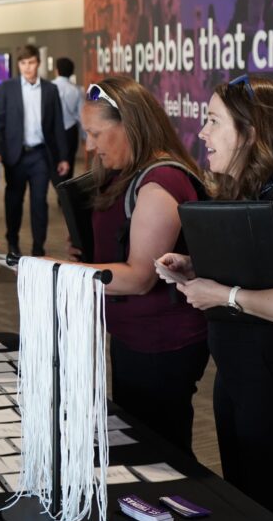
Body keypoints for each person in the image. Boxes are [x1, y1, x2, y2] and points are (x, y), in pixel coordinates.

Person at [157, 76, 273, 521]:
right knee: (247, 505)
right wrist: (196, 270)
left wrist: (224, 295)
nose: (202, 133)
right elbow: (261, 274)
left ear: (251, 133)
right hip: (241, 376)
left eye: (214, 121)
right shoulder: (243, 194)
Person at [60, 75, 208, 454]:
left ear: (130, 125)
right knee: (144, 442)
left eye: (96, 133)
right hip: (137, 337)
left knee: (160, 452)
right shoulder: (129, 174)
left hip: (161, 342)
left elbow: (141, 277)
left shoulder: (159, 183)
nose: (90, 145)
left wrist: (59, 273)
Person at [0, 44, 69, 256]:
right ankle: (13, 243)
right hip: (15, 156)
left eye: (31, 62)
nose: (27, 67)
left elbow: (58, 125)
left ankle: (38, 248)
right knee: (14, 201)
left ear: (38, 64)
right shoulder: (8, 87)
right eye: (23, 63)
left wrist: (63, 157)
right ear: (18, 64)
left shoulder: (50, 90)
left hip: (41, 155)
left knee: (39, 204)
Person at [50, 57, 83, 183]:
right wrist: (85, 136)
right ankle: (64, 194)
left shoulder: (48, 88)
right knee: (69, 162)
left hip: (52, 131)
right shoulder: (77, 90)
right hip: (70, 131)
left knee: (53, 160)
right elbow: (81, 114)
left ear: (56, 71)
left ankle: (56, 184)